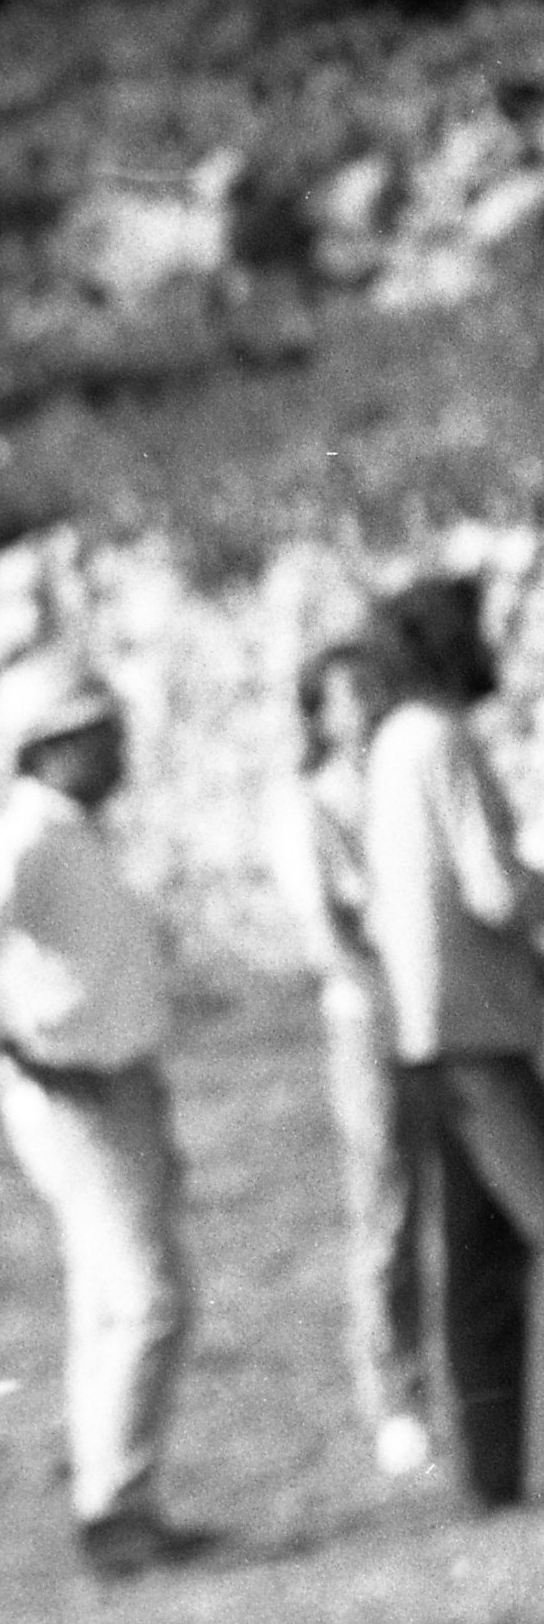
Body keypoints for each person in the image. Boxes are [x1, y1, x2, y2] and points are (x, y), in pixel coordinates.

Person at [0, 642, 209, 1578]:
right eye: (98, 736)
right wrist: (17, 1054)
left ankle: (114, 1500)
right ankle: (118, 1512)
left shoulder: (72, 834)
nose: (118, 751)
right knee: (150, 1301)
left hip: (121, 1082)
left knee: (109, 1304)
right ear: (50, 748)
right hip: (73, 1094)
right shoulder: (24, 837)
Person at [362, 568, 544, 1508]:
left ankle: (494, 1477)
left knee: (477, 1265)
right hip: (483, 1028)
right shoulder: (445, 739)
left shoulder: (393, 742)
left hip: (426, 1031)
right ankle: (496, 1473)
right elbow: (494, 890)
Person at [270, 619, 436, 1487]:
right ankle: (397, 1400)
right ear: (319, 715)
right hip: (371, 1018)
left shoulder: (410, 774)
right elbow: (329, 936)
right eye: (348, 696)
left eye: (377, 688)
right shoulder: (314, 805)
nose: (367, 709)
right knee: (388, 1204)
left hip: (442, 1011)